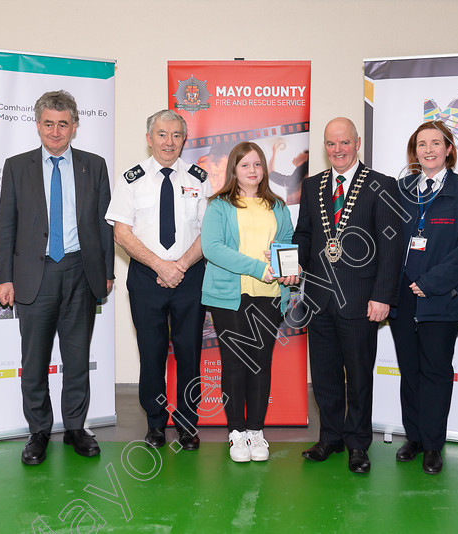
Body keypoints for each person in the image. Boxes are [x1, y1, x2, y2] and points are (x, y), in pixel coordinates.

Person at [0, 90, 114, 465]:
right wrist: (3, 277)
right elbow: (6, 225)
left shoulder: (94, 165)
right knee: (34, 362)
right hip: (35, 275)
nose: (56, 131)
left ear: (75, 127)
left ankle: (76, 428)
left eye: (63, 124)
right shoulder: (17, 166)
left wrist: (107, 271)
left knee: (77, 358)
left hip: (81, 272)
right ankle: (39, 432)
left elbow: (104, 224)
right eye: (49, 123)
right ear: (38, 125)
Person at [293, 117, 402, 474]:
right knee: (323, 375)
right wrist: (290, 262)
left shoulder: (381, 185)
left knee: (358, 376)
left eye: (344, 143)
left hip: (360, 298)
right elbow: (304, 236)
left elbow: (390, 247)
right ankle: (330, 438)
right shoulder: (312, 186)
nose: (337, 150)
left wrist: (383, 295)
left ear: (357, 143)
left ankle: (358, 443)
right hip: (319, 298)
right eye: (330, 144)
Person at [105, 109, 212, 450]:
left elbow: (209, 232)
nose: (169, 142)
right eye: (162, 134)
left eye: (176, 135)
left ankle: (187, 423)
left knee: (189, 352)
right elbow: (121, 232)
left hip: (191, 276)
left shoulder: (199, 178)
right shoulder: (130, 179)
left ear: (184, 139)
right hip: (146, 278)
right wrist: (159, 265)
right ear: (149, 138)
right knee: (151, 353)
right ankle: (155, 423)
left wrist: (179, 265)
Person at [388, 121, 458, 474]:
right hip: (404, 297)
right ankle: (413, 438)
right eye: (421, 145)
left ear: (448, 150)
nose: (428, 150)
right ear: (414, 152)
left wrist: (431, 282)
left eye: (435, 144)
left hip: (442, 297)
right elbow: (388, 244)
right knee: (410, 370)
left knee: (436, 371)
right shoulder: (400, 190)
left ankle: (433, 445)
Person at [201, 142, 298, 462]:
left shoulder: (278, 205)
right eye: (245, 165)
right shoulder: (219, 205)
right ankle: (236, 433)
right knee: (233, 364)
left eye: (257, 164)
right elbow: (212, 248)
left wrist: (286, 271)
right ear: (234, 170)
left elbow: (287, 246)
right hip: (230, 297)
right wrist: (259, 268)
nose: (253, 170)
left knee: (260, 363)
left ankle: (256, 431)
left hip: (269, 296)